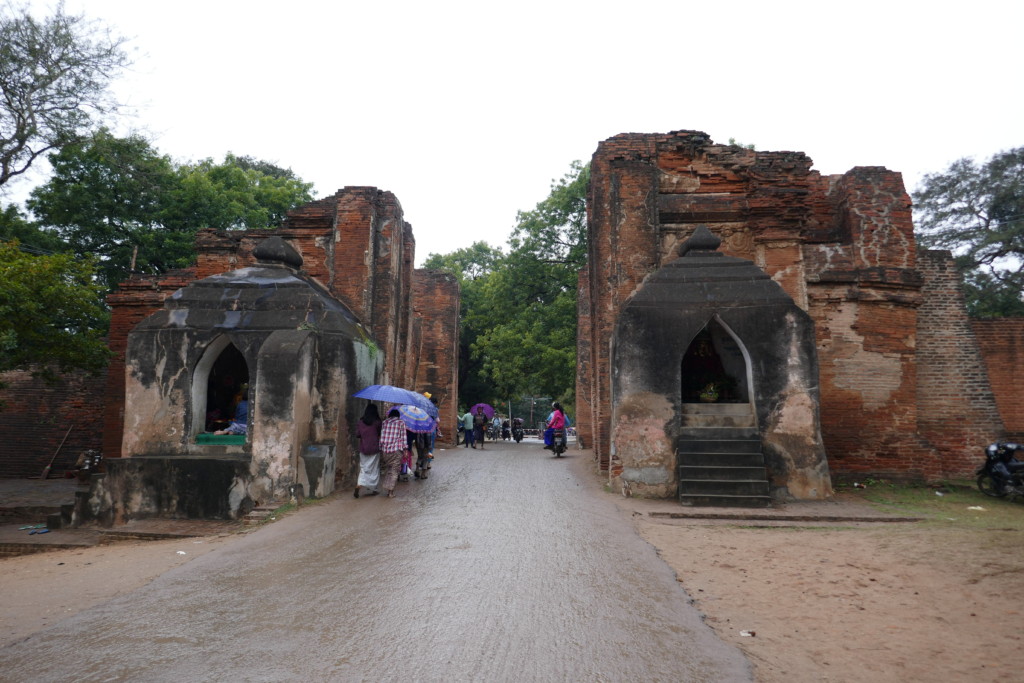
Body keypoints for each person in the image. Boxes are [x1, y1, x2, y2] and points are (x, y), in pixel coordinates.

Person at [353, 404, 382, 498]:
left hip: (363, 448)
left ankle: (360, 483)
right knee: (374, 468)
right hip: (374, 448)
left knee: (364, 467)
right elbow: (379, 433)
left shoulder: (360, 422)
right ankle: (374, 489)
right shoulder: (377, 422)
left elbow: (357, 434)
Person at [379, 407, 406, 498]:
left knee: (389, 469)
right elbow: (403, 437)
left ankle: (387, 488)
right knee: (394, 470)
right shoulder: (401, 423)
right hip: (396, 450)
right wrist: (405, 449)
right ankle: (390, 492)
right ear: (398, 416)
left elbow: (382, 436)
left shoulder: (384, 422)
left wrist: (380, 448)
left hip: (385, 450)